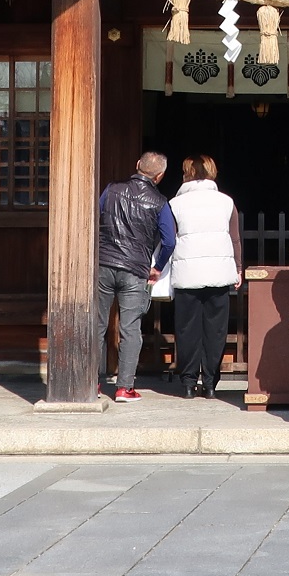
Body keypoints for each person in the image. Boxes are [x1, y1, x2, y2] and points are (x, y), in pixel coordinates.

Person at [95, 151, 175, 402]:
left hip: (104, 263)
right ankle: (124, 388)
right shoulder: (160, 202)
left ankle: (92, 383)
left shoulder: (111, 189)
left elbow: (94, 218)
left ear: (137, 165)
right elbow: (170, 240)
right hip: (135, 268)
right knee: (131, 328)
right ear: (160, 176)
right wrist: (158, 266)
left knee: (97, 325)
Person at [164, 154, 242, 399]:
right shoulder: (226, 202)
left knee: (187, 329)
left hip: (187, 274)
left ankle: (187, 382)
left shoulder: (175, 204)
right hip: (219, 273)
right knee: (215, 330)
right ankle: (210, 383)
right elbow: (235, 238)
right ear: (212, 172)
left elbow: (169, 239)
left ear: (186, 173)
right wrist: (238, 268)